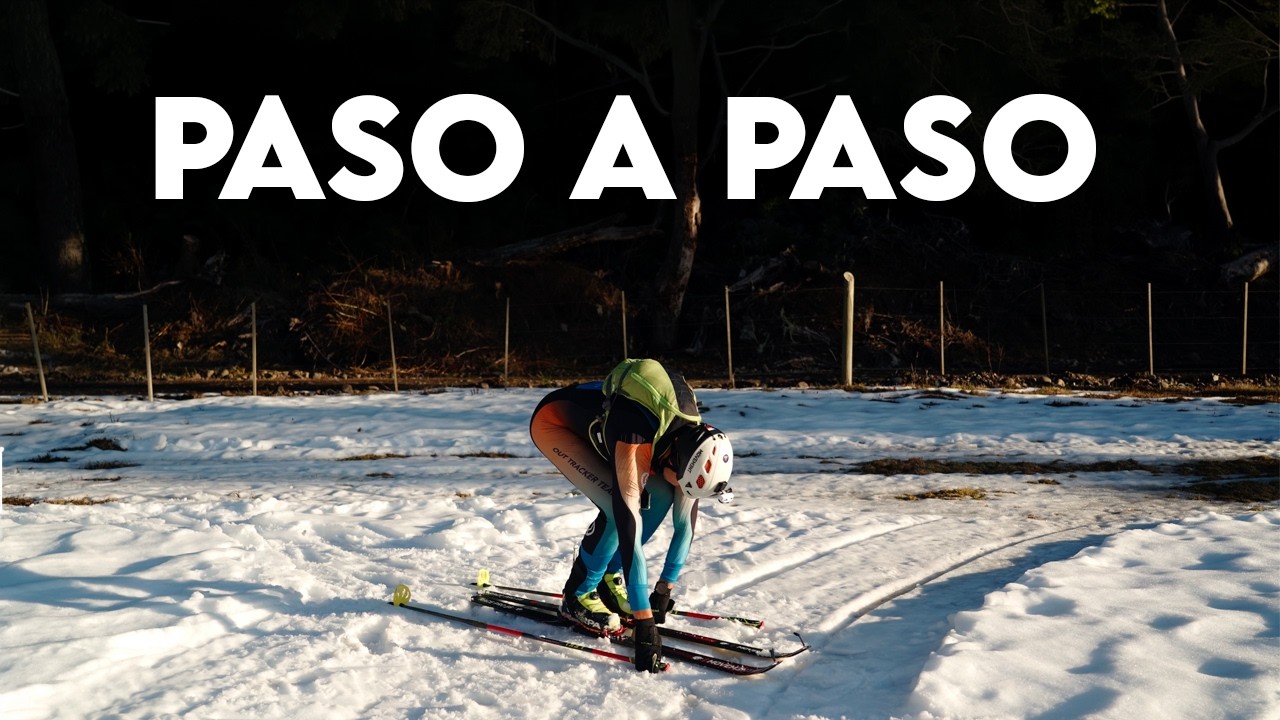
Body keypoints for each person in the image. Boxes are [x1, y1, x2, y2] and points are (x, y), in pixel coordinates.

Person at [528, 358, 735, 673]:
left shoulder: (691, 441)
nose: (686, 493)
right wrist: (644, 621)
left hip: (624, 426)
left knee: (664, 493)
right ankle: (578, 595)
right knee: (618, 509)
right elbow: (629, 527)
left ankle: (607, 579)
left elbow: (684, 525)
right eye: (685, 485)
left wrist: (665, 588)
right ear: (676, 462)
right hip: (555, 423)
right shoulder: (635, 437)